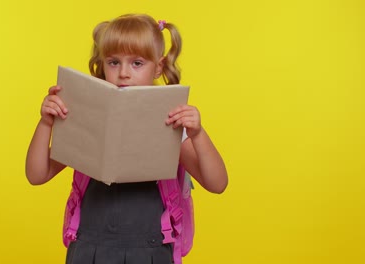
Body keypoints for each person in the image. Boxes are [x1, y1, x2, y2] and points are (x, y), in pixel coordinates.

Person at [26, 13, 228, 264]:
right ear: (102, 64)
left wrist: (198, 134)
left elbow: (217, 183)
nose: (123, 73)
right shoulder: (88, 116)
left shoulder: (172, 121)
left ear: (159, 67)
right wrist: (46, 123)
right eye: (113, 62)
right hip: (90, 250)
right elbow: (37, 174)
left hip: (151, 252)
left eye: (137, 63)